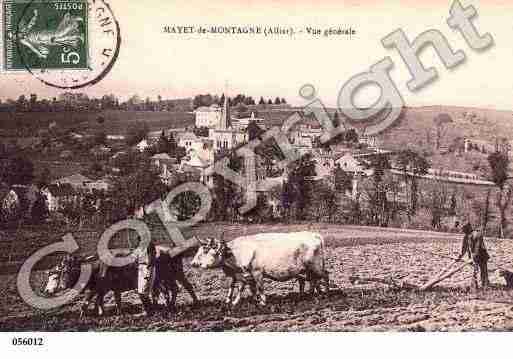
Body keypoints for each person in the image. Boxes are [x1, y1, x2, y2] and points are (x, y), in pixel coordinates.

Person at [134, 238, 157, 315]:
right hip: (141, 269)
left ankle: (150, 311)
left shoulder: (149, 245)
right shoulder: (140, 247)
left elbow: (151, 260)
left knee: (144, 292)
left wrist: (147, 273)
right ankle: (148, 310)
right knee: (140, 292)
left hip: (147, 268)